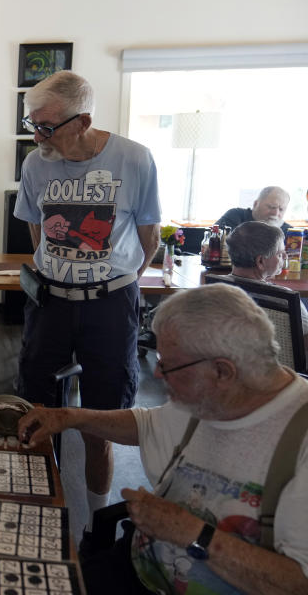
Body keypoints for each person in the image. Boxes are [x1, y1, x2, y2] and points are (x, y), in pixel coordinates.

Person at [17, 284, 308, 595]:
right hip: (140, 565)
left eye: (168, 365)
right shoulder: (212, 396)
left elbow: (297, 583)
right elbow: (147, 424)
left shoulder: (298, 434)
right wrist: (70, 418)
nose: (156, 374)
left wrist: (190, 532)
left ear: (223, 371)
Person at [14, 70, 161, 521]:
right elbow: (36, 233)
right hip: (51, 303)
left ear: (82, 121)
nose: (37, 135)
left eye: (46, 126)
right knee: (35, 412)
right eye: (31, 123)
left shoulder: (134, 159)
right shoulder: (35, 164)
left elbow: (149, 238)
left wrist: (113, 282)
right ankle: (39, 508)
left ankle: (97, 518)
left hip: (110, 306)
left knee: (102, 420)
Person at [226, 221, 308, 351]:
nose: (286, 256)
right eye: (280, 254)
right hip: (280, 369)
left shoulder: (216, 288)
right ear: (260, 261)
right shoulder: (285, 299)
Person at [217, 186, 291, 233]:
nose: (275, 213)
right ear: (256, 204)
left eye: (281, 209)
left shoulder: (289, 232)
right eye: (271, 207)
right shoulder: (235, 216)